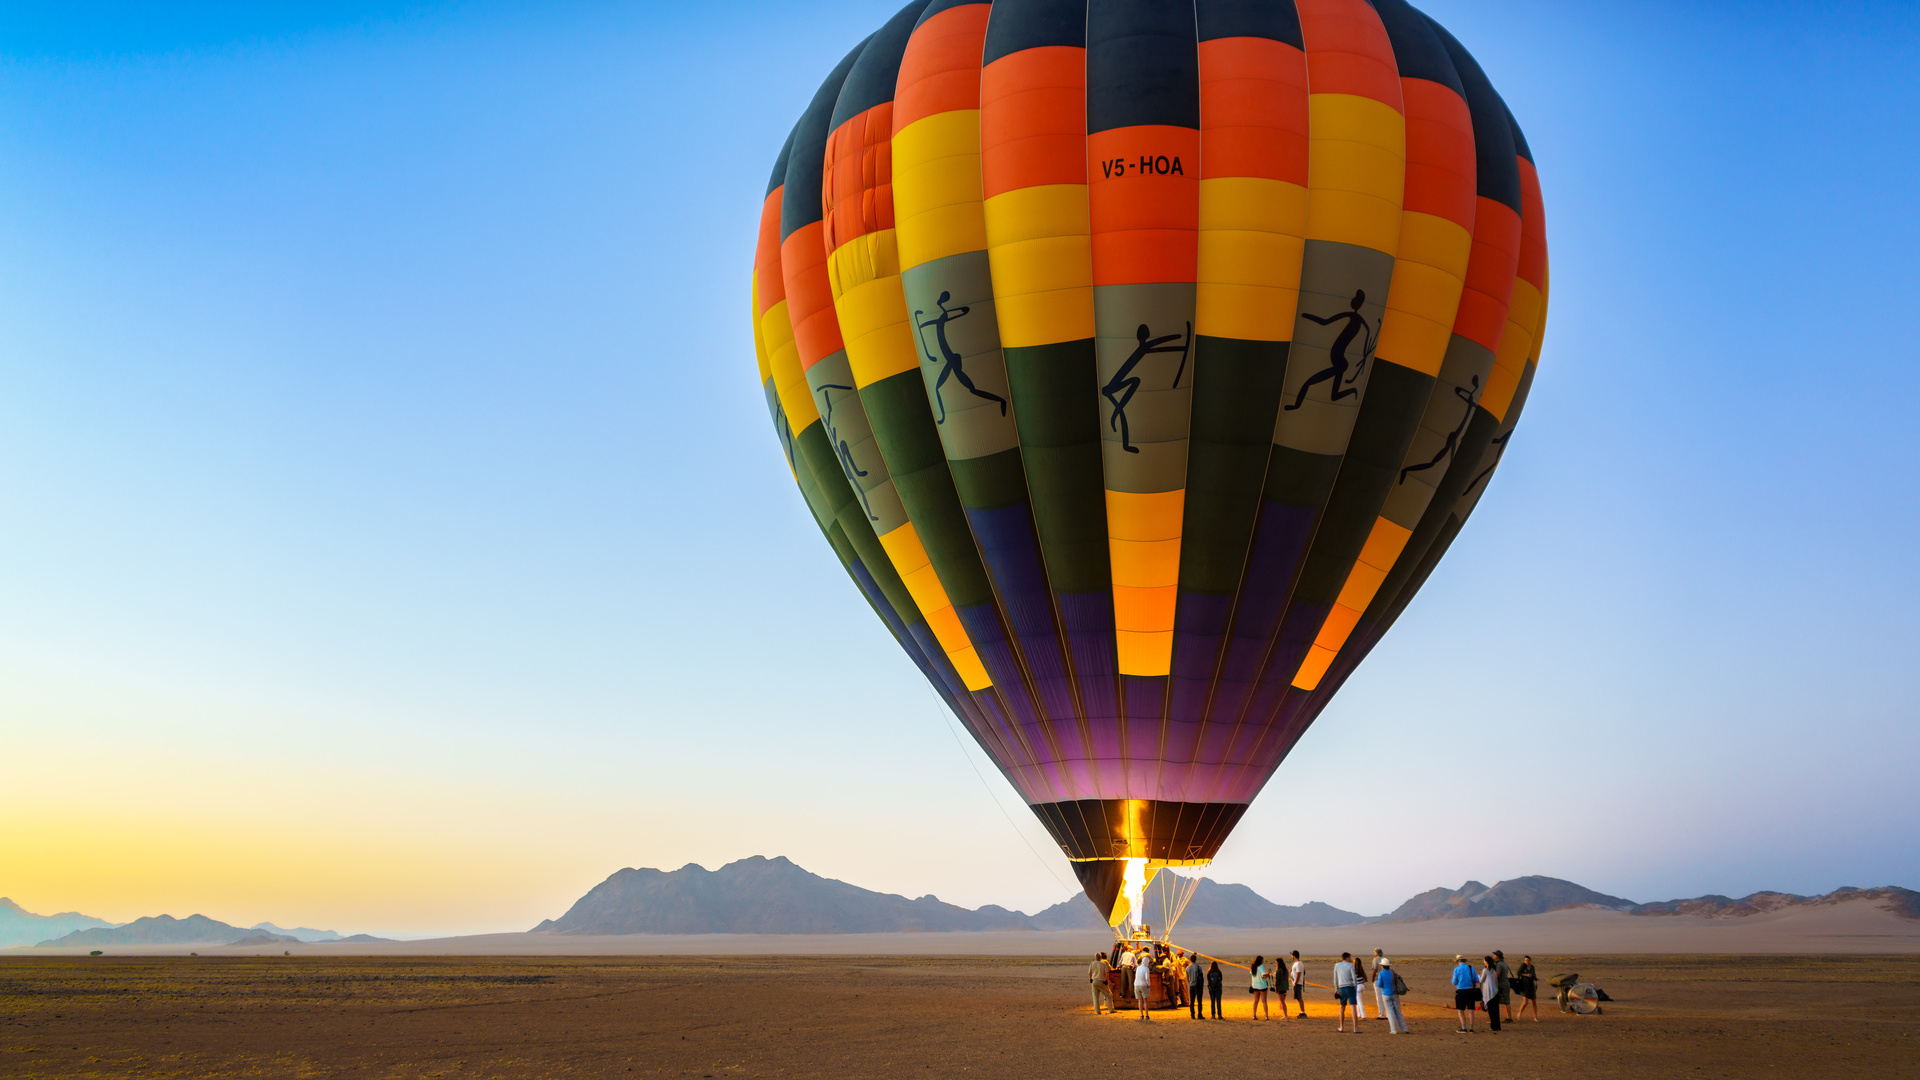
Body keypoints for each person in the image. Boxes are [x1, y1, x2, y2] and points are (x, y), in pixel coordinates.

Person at [1375, 958, 1407, 1034]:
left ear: (1382, 966)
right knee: (1398, 1011)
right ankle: (1404, 1029)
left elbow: (1379, 984)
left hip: (1386, 994)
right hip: (1395, 993)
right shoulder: (1393, 972)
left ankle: (1394, 1030)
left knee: (1390, 1012)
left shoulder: (1381, 974)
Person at [1451, 954, 1480, 1033]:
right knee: (1471, 1010)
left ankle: (1464, 1027)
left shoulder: (1457, 969)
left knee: (1460, 1010)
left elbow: (1454, 982)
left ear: (1457, 962)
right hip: (1471, 991)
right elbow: (1476, 980)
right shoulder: (1471, 968)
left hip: (1461, 991)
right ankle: (1471, 1028)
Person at [1333, 951, 1360, 1032]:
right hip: (1350, 987)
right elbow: (1354, 977)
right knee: (1353, 1007)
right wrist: (1355, 986)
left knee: (1342, 1007)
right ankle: (1355, 1028)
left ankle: (1341, 1027)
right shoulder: (1350, 965)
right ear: (1347, 957)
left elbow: (1335, 978)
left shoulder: (1337, 965)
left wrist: (1336, 989)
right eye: (1350, 957)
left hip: (1342, 988)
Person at [1513, 955, 1541, 1022]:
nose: (1527, 961)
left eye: (1528, 960)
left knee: (1534, 1001)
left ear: (1530, 961)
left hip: (1531, 985)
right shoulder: (1523, 966)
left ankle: (1535, 1017)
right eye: (1526, 960)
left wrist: (1535, 978)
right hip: (1524, 986)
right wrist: (1526, 975)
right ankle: (1519, 1014)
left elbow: (1533, 975)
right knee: (1526, 1002)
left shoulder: (1532, 967)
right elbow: (1518, 973)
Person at [1480, 956, 1503, 1032]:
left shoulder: (1486, 970)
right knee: (1496, 1011)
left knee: (1491, 1011)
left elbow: (1481, 980)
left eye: (1484, 961)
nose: (1483, 962)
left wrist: (1477, 977)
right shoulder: (1494, 970)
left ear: (1486, 962)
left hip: (1489, 993)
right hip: (1495, 992)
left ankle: (1493, 1026)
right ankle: (1497, 1026)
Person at [1492, 950, 1514, 1022]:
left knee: (1506, 1001)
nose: (1494, 956)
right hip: (1506, 983)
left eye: (1495, 955)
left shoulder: (1499, 964)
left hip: (1502, 984)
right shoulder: (1504, 964)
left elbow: (1497, 974)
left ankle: (1509, 1017)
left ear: (1497, 957)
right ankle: (1508, 1016)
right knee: (1507, 1001)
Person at [1371, 948, 1391, 1021]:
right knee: (1386, 997)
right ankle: (1389, 1014)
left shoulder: (1375, 960)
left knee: (1379, 998)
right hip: (1386, 980)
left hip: (1378, 980)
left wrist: (1372, 979)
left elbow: (1374, 970)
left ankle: (1381, 1014)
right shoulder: (1385, 959)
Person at [1249, 955, 1270, 1020]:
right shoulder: (1261, 967)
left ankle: (1254, 1015)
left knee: (1256, 1001)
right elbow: (1264, 976)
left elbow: (1251, 973)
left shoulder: (1253, 966)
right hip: (1262, 986)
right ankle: (1266, 1016)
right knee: (1264, 1001)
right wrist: (1268, 972)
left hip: (1255, 985)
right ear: (1261, 960)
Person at [1349, 948, 1367, 1021]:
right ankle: (1359, 1014)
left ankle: (1363, 1015)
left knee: (1359, 1002)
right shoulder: (1361, 969)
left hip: (1358, 987)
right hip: (1362, 986)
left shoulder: (1353, 970)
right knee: (1359, 1000)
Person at [1135, 954, 1154, 1020]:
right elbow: (1147, 978)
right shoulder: (1146, 969)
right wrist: (1149, 984)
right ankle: (1147, 1015)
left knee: (1140, 1001)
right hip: (1144, 985)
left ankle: (1141, 1015)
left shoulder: (1138, 968)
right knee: (1145, 1000)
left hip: (1136, 985)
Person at [1188, 951, 1206, 1018]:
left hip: (1192, 985)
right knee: (1199, 1001)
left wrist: (1189, 982)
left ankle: (1192, 1015)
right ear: (1196, 959)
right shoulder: (1199, 967)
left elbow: (1187, 978)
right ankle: (1199, 1014)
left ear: (1190, 959)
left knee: (1192, 1001)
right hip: (1198, 986)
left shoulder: (1188, 968)